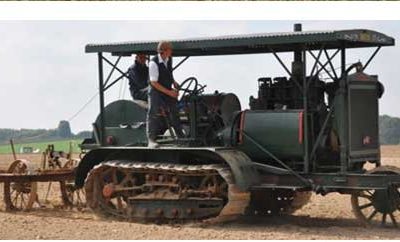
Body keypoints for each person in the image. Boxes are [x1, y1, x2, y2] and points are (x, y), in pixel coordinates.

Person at [147, 41, 184, 148]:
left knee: (174, 110)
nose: (171, 51)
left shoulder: (169, 59)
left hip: (166, 89)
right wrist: (170, 93)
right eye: (170, 49)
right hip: (155, 91)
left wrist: (174, 82)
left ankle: (181, 137)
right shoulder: (153, 63)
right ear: (164, 51)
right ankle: (151, 140)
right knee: (153, 112)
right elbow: (154, 83)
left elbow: (169, 73)